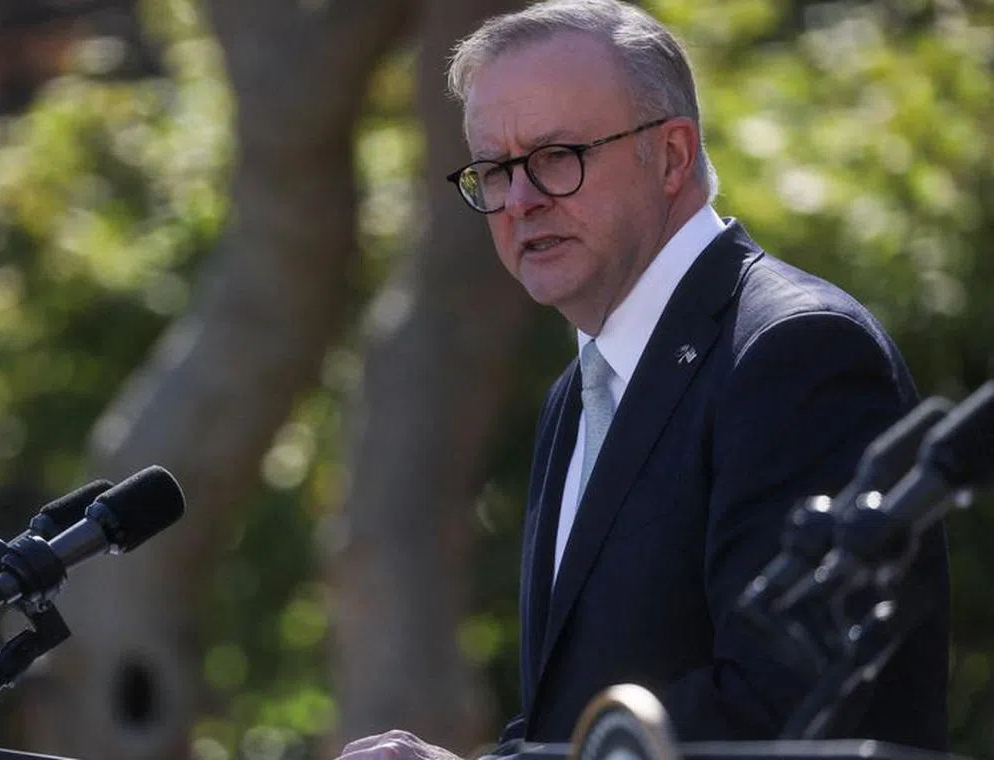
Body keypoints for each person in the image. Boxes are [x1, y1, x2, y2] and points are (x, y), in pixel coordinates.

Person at [337, 1, 949, 757]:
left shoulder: (796, 352)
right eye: (495, 170)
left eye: (556, 156)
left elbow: (783, 711)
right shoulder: (579, 391)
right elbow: (576, 716)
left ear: (671, 155)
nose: (521, 200)